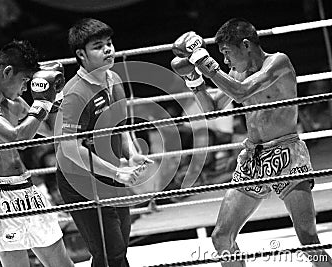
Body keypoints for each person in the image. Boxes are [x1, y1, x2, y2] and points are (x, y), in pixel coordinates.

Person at [171, 18, 332, 266]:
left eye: (226, 53)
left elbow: (242, 92)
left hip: (287, 155)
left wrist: (205, 62)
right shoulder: (237, 73)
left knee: (308, 238)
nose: (225, 61)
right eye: (220, 55)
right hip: (253, 159)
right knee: (221, 238)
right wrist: (194, 80)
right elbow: (212, 110)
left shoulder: (278, 63)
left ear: (246, 45)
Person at [0, 40, 74, 267]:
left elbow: (51, 129)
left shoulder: (14, 102)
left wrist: (56, 98)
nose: (25, 88)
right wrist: (41, 104)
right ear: (7, 72)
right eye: (24, 80)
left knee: (63, 264)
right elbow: (16, 138)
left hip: (28, 189)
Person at [56, 18, 152, 267]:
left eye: (109, 43)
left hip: (111, 174)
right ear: (81, 54)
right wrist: (116, 171)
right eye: (98, 46)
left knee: (118, 249)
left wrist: (131, 154)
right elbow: (69, 148)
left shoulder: (114, 80)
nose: (108, 49)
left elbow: (121, 126)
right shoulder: (75, 93)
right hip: (80, 179)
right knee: (108, 254)